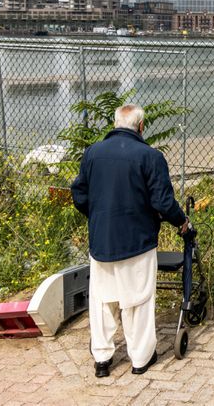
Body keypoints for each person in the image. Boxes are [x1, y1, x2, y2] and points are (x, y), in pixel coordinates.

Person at [71, 104, 192, 378]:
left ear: (115, 124)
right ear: (141, 127)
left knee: (103, 301)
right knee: (137, 300)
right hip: (137, 242)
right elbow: (162, 201)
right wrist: (182, 222)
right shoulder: (150, 156)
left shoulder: (93, 153)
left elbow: (79, 194)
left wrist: (98, 216)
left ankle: (102, 360)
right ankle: (140, 359)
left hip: (101, 241)